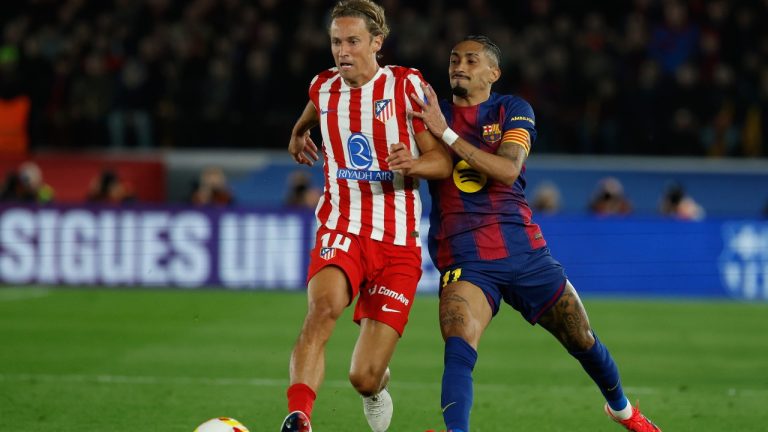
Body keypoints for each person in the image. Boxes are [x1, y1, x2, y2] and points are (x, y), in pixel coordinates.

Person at [408, 35, 662, 432]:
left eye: (471, 60)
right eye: (454, 59)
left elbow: (508, 171)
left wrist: (448, 135)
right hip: (464, 255)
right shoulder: (429, 113)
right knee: (458, 341)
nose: (459, 66)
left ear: (493, 72)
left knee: (581, 337)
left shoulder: (511, 109)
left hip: (523, 249)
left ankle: (622, 410)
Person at [280, 1, 452, 431]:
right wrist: (298, 134)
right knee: (322, 311)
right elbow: (310, 115)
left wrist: (412, 164)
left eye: (353, 41)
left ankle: (377, 386)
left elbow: (443, 163)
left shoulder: (406, 88)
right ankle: (299, 416)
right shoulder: (323, 88)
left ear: (377, 43)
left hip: (397, 243)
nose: (343, 51)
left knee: (363, 375)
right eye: (336, 42)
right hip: (342, 225)